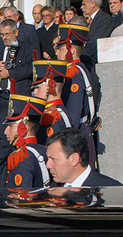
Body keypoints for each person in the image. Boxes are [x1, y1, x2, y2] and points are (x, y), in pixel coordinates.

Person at [56, 20, 98, 169]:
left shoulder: (74, 73)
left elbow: (73, 112)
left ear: (71, 50)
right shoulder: (78, 69)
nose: (56, 52)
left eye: (60, 49)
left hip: (78, 133)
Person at [47, 128, 122, 187]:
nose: (48, 165)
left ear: (74, 159)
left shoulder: (111, 190)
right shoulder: (53, 188)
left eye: (53, 159)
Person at [4, 94, 49, 188]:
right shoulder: (45, 150)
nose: (6, 131)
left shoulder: (21, 157)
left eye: (11, 126)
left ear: (25, 127)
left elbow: (21, 196)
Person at [0, 19, 34, 107]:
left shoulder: (27, 48)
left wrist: (10, 73)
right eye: (2, 34)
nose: (5, 37)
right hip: (1, 97)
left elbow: (31, 68)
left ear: (16, 32)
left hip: (19, 96)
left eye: (7, 34)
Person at [32, 59, 71, 145]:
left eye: (38, 87)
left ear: (50, 86)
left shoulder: (56, 116)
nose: (34, 92)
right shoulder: (50, 112)